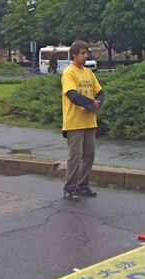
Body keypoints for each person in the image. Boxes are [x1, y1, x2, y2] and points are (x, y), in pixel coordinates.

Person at [61, 40, 105, 201]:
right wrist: (90, 103)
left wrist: (97, 103)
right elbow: (72, 95)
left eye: (87, 53)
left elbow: (100, 92)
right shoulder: (69, 72)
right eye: (82, 53)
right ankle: (70, 188)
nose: (86, 56)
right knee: (75, 156)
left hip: (89, 122)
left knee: (89, 154)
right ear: (74, 54)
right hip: (74, 122)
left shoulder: (89, 73)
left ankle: (83, 185)